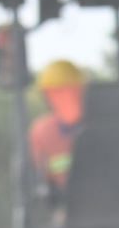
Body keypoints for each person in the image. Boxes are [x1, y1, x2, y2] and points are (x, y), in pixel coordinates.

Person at [28, 59, 85, 191]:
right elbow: (41, 177)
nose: (65, 98)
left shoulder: (100, 127)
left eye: (70, 92)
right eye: (57, 93)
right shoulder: (41, 132)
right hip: (66, 203)